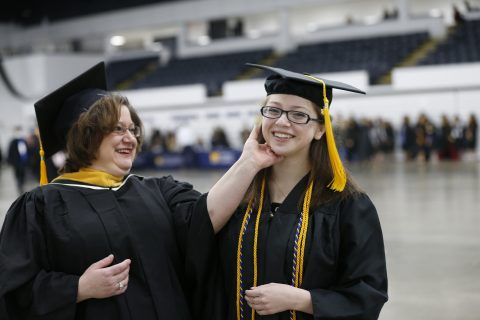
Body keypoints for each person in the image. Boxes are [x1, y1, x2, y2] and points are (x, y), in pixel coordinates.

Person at [0, 62, 281, 320]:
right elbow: (14, 290)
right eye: (117, 129)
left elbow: (205, 217)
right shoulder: (41, 207)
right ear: (84, 136)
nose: (130, 138)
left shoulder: (158, 190)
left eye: (133, 129)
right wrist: (77, 288)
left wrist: (250, 162)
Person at [212, 63, 388, 319]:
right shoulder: (238, 195)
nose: (282, 122)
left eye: (298, 114)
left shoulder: (348, 206)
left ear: (320, 128)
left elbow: (369, 294)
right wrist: (246, 164)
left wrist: (303, 300)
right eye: (273, 110)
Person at [7, 125, 30, 194]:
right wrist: (11, 162)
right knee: (18, 175)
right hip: (16, 163)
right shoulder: (13, 142)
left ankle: (22, 184)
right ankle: (19, 186)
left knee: (23, 174)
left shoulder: (24, 141)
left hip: (23, 162)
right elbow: (10, 152)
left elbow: (27, 151)